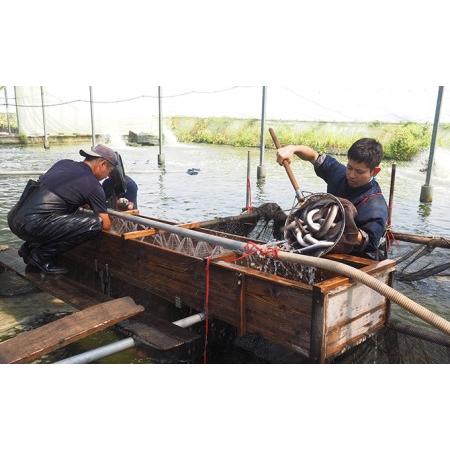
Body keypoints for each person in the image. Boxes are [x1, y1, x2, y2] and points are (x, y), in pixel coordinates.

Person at [7, 144, 118, 274]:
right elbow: (105, 224)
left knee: (63, 212)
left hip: (15, 218)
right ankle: (40, 256)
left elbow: (59, 195)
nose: (107, 176)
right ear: (102, 164)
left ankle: (28, 249)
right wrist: (116, 235)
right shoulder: (93, 185)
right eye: (109, 171)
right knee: (95, 223)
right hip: (33, 225)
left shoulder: (64, 163)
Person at [276, 138, 388, 258]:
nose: (351, 175)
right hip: (318, 244)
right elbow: (313, 156)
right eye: (349, 167)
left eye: (359, 172)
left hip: (352, 258)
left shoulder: (375, 206)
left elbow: (369, 242)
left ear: (375, 171)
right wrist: (292, 148)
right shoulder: (339, 173)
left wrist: (342, 230)